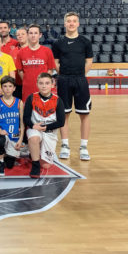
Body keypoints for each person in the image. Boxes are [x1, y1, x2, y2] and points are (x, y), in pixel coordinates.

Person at [52, 12, 94, 161]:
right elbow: (56, 62)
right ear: (64, 24)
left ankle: (84, 147)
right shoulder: (58, 43)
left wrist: (79, 74)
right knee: (64, 114)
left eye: (74, 21)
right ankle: (65, 145)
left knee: (84, 114)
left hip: (80, 80)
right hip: (64, 80)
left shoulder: (85, 41)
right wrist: (64, 74)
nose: (71, 23)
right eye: (68, 21)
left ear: (78, 24)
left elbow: (89, 61)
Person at [24, 72, 65, 178]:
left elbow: (61, 122)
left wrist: (46, 127)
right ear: (37, 84)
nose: (44, 86)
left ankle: (35, 152)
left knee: (46, 165)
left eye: (47, 83)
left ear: (52, 85)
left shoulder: (58, 100)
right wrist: (33, 126)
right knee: (34, 138)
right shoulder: (31, 98)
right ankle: (35, 165)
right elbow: (26, 118)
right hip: (35, 128)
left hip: (50, 131)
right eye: (41, 83)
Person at [0, 76, 23, 176]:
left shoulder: (19, 102)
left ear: (14, 88)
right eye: (5, 86)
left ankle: (1, 153)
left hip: (14, 136)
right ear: (1, 88)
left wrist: (20, 139)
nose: (8, 89)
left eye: (10, 86)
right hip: (3, 134)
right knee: (1, 140)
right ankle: (0, 162)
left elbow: (22, 123)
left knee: (9, 165)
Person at [15, 24, 56, 104]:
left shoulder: (47, 51)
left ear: (40, 35)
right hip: (27, 89)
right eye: (31, 33)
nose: (33, 35)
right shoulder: (21, 52)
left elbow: (50, 70)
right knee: (28, 110)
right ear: (27, 35)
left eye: (35, 33)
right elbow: (20, 71)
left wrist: (44, 82)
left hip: (43, 89)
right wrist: (27, 80)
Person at [11, 27, 28, 100]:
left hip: (30, 84)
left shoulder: (33, 49)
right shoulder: (13, 52)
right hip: (17, 85)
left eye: (23, 34)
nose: (20, 36)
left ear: (27, 35)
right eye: (18, 35)